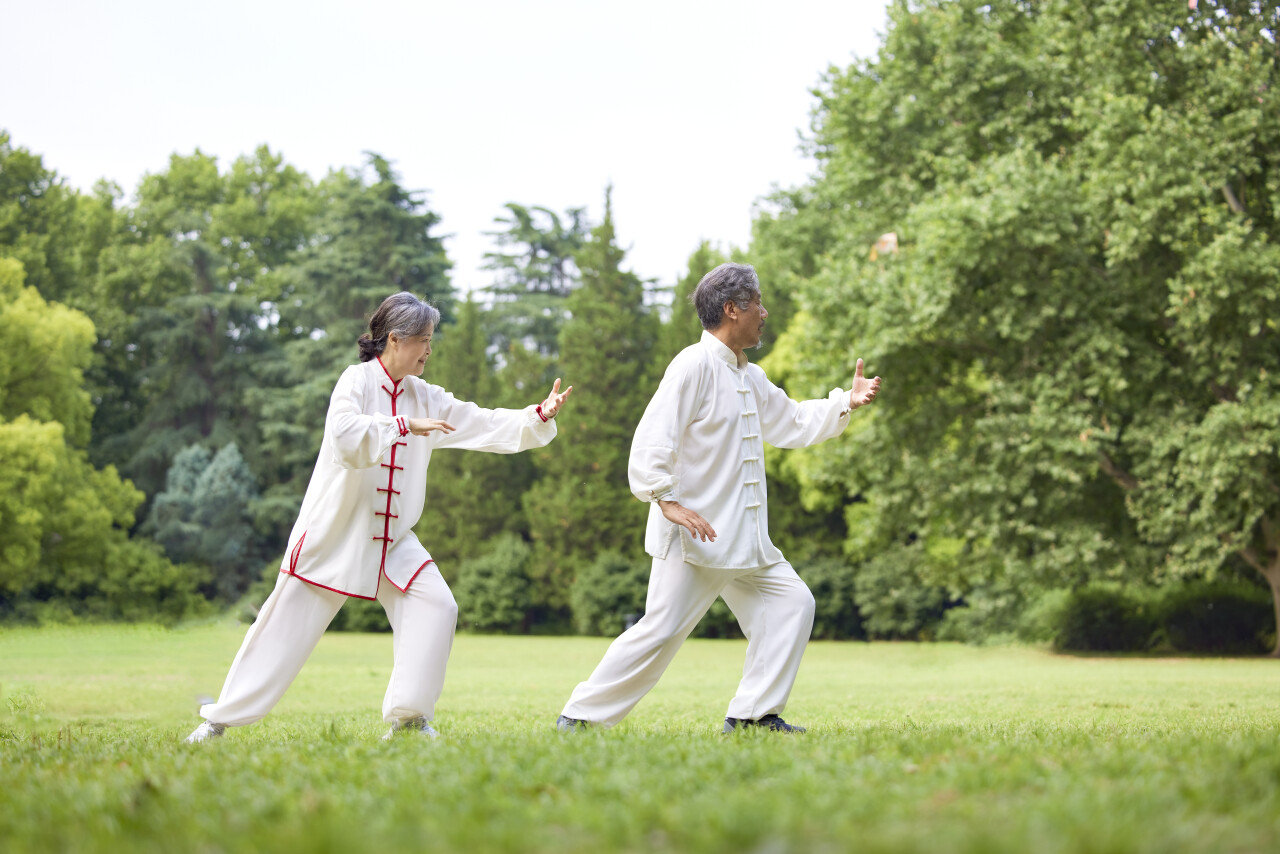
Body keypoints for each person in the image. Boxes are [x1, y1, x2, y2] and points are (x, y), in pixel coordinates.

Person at [186, 292, 573, 743]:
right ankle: (218, 722)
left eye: (431, 340)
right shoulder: (356, 381)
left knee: (436, 606)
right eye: (424, 340)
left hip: (393, 539)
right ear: (395, 338)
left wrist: (537, 416)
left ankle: (409, 722)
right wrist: (404, 426)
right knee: (283, 626)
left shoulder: (424, 395)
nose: (430, 349)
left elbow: (480, 422)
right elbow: (346, 437)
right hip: (335, 534)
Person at [556, 263, 880, 734]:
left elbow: (790, 422)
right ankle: (580, 718)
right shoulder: (693, 365)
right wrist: (665, 500)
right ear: (733, 309)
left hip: (745, 542)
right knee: (660, 631)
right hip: (695, 538)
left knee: (792, 604)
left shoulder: (751, 375)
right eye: (758, 304)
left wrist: (844, 402)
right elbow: (653, 438)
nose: (765, 313)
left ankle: (752, 717)